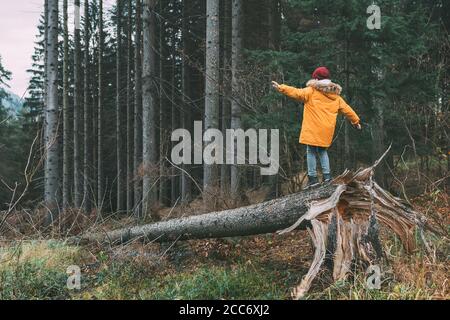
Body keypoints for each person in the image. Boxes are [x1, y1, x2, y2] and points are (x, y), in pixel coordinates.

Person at [272, 66, 361, 188]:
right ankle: (327, 177)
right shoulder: (336, 97)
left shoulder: (311, 91)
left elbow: (297, 92)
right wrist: (356, 122)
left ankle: (313, 179)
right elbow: (348, 110)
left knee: (311, 151)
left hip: (313, 128)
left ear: (316, 79)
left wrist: (281, 87)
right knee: (323, 151)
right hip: (326, 130)